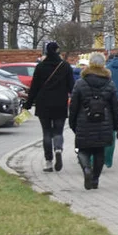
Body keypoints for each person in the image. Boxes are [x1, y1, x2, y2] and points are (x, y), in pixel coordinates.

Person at [68, 53, 118, 190]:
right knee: (99, 152)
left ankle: (86, 169)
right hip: (104, 122)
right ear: (103, 64)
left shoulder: (80, 83)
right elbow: (115, 107)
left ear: (90, 64)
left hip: (83, 121)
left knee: (83, 150)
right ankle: (95, 179)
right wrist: (116, 125)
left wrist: (72, 123)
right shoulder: (110, 83)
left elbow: (73, 105)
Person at [25, 41, 75, 173]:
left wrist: (28, 104)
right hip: (60, 103)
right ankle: (58, 148)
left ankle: (48, 162)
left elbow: (34, 87)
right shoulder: (65, 66)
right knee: (58, 131)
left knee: (46, 132)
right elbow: (72, 87)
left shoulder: (40, 67)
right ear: (58, 51)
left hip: (43, 103)